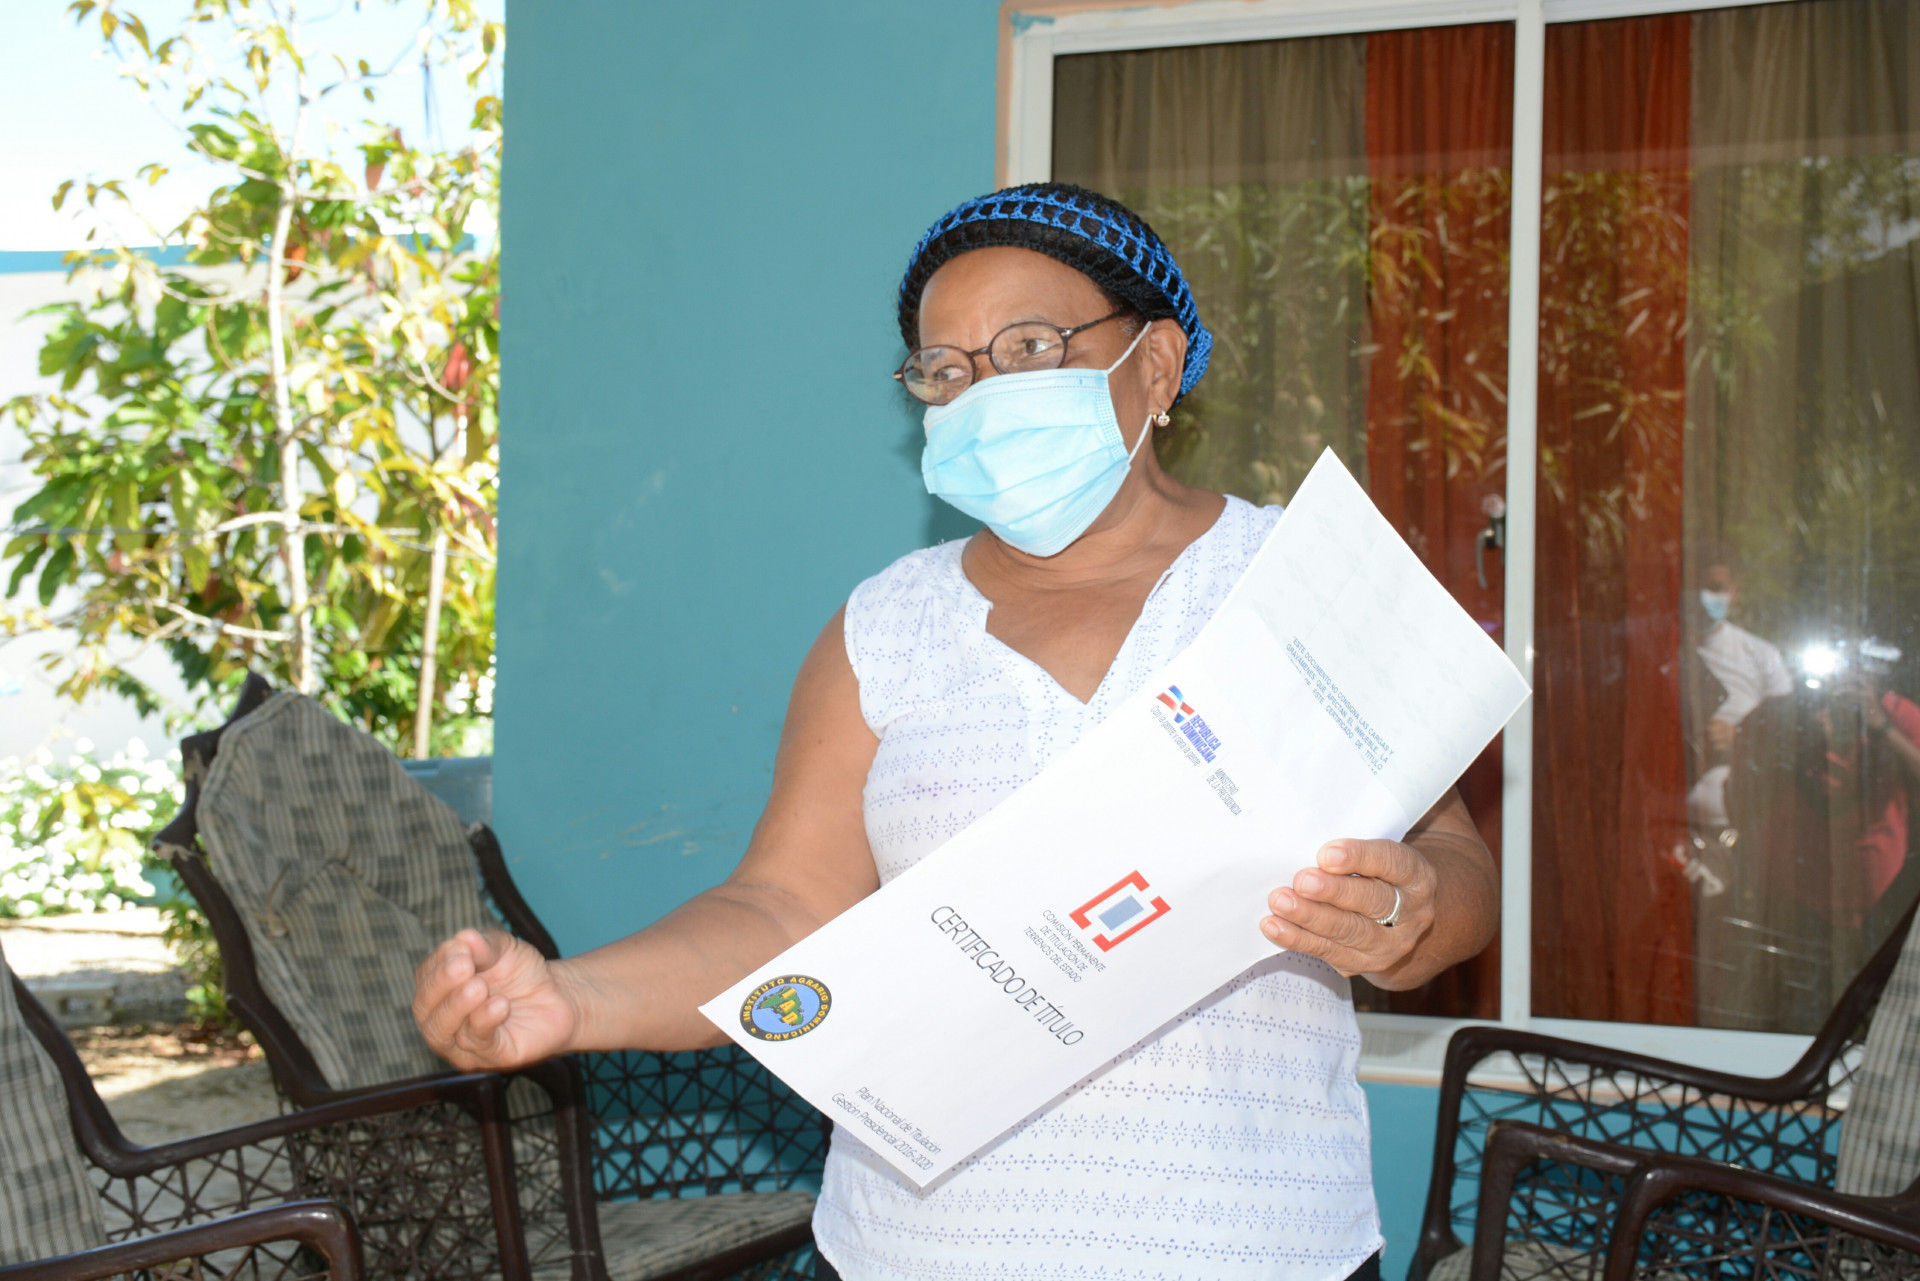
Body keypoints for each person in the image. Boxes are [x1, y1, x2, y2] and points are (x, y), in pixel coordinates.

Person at [412, 184, 1499, 1281]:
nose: (985, 396)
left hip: (1256, 1246)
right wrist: (572, 997)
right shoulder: (886, 628)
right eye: (946, 370)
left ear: (1159, 365)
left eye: (1029, 348)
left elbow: (1455, 865)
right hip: (913, 1250)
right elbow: (781, 910)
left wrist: (1407, 911)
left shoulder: (1297, 582)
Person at [1687, 552, 1792, 831]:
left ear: (1735, 593)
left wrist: (1739, 737)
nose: (1703, 597)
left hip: (1737, 829)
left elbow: (1789, 737)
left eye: (1715, 588)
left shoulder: (1763, 656)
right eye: (1694, 586)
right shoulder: (1655, 649)